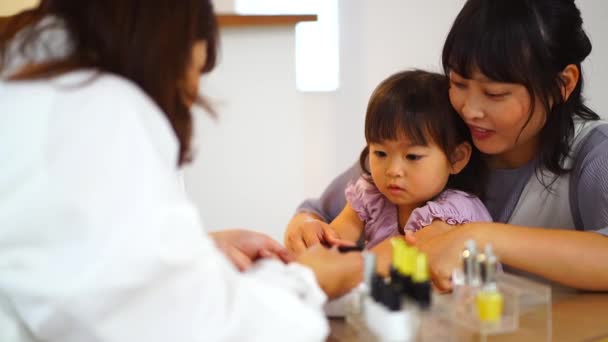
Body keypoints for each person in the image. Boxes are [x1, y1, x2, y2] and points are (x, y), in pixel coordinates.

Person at [0, 1, 363, 341]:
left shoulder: (36, 90)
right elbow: (190, 325)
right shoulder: (93, 113)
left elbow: (86, 257)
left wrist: (197, 250)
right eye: (185, 88)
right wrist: (310, 280)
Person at [285, 0, 608, 292]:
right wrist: (306, 228)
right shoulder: (439, 134)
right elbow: (318, 212)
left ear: (562, 84)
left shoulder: (593, 156)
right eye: (458, 83)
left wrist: (480, 237)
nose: (470, 109)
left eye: (495, 94)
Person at [324, 70, 491, 272]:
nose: (393, 171)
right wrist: (321, 240)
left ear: (456, 158)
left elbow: (405, 253)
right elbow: (335, 241)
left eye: (412, 156)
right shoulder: (371, 195)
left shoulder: (455, 210)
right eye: (380, 153)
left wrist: (340, 269)